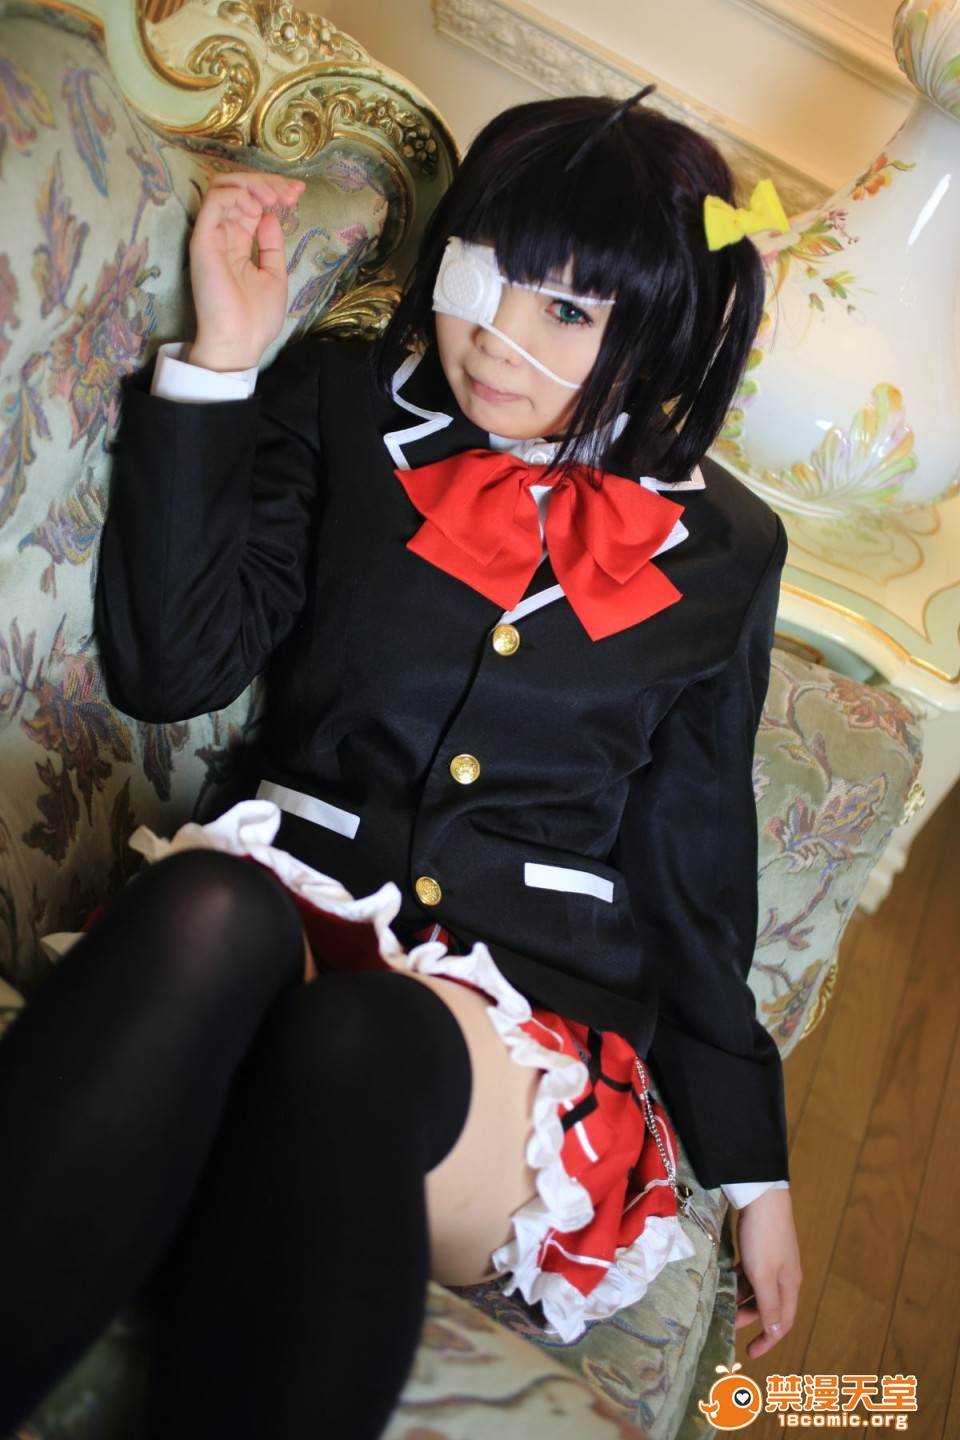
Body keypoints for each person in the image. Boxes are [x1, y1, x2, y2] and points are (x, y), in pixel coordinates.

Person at [0, 89, 802, 1439]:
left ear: (660, 332)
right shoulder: (344, 400)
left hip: (508, 1036)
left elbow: (694, 859)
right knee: (206, 907)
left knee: (361, 1041)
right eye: (485, 274)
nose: (494, 336)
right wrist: (224, 362)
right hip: (289, 911)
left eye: (567, 310)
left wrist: (755, 1173)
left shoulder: (730, 548)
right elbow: (174, 669)